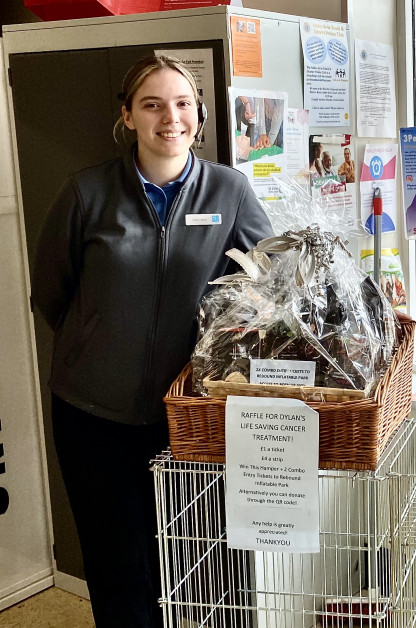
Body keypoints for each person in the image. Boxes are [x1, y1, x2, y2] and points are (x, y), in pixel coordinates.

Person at [30, 55, 273, 628]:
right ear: (128, 116)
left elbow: (271, 285)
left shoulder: (229, 190)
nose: (171, 117)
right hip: (93, 414)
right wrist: (99, 345)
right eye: (153, 104)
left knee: (199, 561)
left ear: (200, 114)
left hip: (189, 416)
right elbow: (51, 295)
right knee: (118, 567)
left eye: (183, 103)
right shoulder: (86, 193)